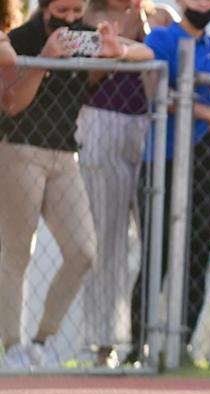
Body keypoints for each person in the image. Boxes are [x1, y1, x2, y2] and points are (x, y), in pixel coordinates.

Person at [0, 0, 151, 369]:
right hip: (21, 149)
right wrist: (43, 58)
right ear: (44, 6)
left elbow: (147, 51)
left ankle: (41, 340)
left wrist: (120, 53)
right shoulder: (23, 37)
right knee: (18, 252)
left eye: (75, 11)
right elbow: (13, 103)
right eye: (62, 10)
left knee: (84, 252)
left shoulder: (83, 37)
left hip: (66, 153)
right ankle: (11, 346)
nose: (69, 19)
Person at [126, 0, 210, 364]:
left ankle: (182, 344)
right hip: (165, 156)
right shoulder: (162, 38)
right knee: (155, 253)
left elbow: (209, 96)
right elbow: (156, 92)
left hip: (208, 155)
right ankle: (139, 344)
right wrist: (208, 111)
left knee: (196, 254)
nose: (204, 4)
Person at [77, 0, 158, 368]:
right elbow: (84, 78)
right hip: (100, 123)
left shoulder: (160, 18)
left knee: (153, 238)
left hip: (148, 129)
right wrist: (120, 44)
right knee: (106, 238)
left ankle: (148, 336)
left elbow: (160, 80)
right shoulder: (86, 15)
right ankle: (103, 340)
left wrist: (144, 30)